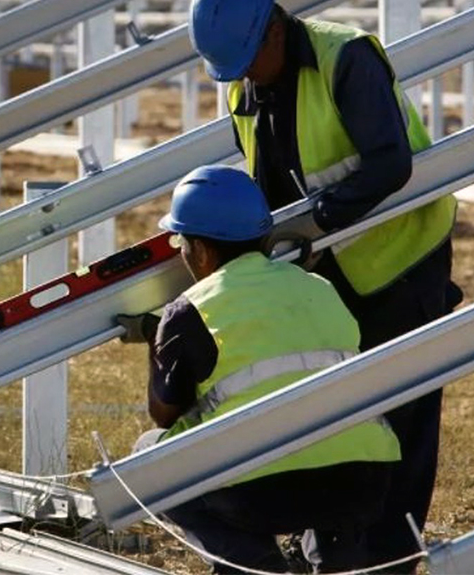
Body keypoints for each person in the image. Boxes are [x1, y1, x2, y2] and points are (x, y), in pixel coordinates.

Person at [187, 0, 459, 569]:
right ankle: (330, 555)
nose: (243, 80)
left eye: (246, 64)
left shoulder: (346, 59)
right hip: (326, 279)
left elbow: (390, 161)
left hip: (399, 264)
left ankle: (386, 562)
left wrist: (320, 220)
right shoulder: (242, 89)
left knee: (401, 427)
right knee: (334, 420)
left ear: (274, 33)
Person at [116, 165, 400, 574]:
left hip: (265, 492)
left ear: (201, 251)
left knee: (149, 453)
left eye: (180, 241)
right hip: (364, 480)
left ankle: (254, 566)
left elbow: (165, 414)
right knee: (323, 437)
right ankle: (335, 562)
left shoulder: (191, 309)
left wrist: (156, 337)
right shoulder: (318, 287)